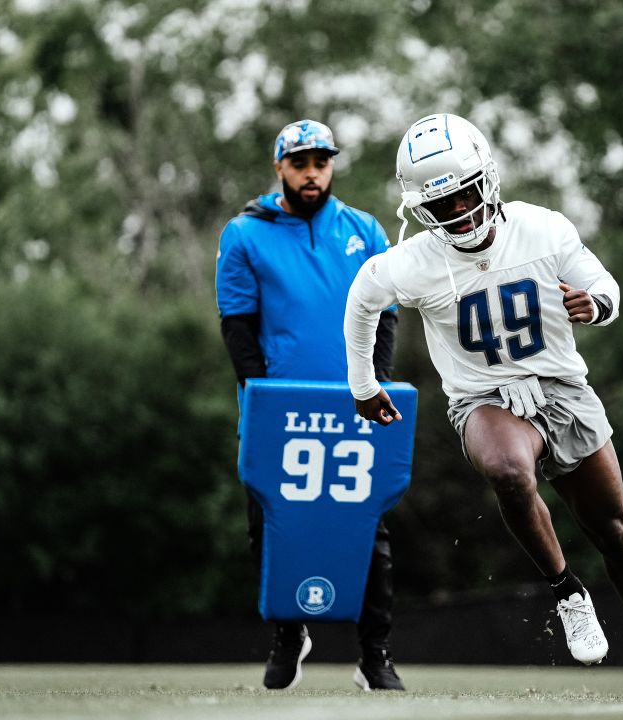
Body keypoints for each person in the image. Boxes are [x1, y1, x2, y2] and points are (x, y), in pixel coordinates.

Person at [343, 113, 623, 701]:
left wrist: (594, 306)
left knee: (614, 533)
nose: (460, 213)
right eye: (441, 206)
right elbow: (362, 299)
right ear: (421, 209)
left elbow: (607, 287)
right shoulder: (415, 261)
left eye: (466, 194)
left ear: (488, 180)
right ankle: (567, 591)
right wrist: (364, 383)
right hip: (483, 398)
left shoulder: (542, 229)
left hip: (562, 390)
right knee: (509, 472)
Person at [215, 119, 404, 692]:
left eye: (321, 161)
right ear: (280, 168)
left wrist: (375, 388)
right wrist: (263, 399)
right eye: (300, 163)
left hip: (353, 408)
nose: (312, 172)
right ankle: (287, 635)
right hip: (279, 413)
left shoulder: (365, 230)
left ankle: (375, 656)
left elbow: (387, 318)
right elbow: (238, 327)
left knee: (369, 531)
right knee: (270, 528)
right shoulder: (246, 233)